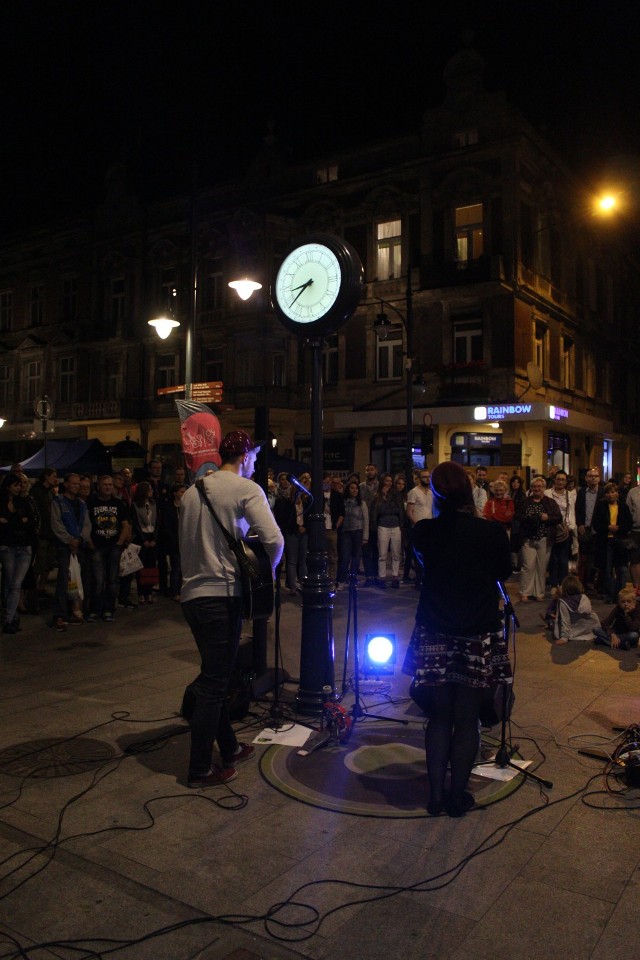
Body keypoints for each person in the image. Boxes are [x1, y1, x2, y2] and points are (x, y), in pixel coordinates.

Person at [406, 461, 512, 818]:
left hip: (435, 629)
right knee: (467, 718)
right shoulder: (492, 533)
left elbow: (424, 565)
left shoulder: (424, 532)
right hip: (476, 632)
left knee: (439, 715)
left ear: (434, 494)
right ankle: (456, 798)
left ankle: (435, 797)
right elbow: (502, 572)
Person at [179, 429, 283, 788]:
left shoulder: (192, 493)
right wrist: (264, 575)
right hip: (221, 595)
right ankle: (199, 769)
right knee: (213, 683)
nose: (253, 463)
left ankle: (230, 746)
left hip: (192, 595)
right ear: (245, 457)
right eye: (253, 457)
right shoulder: (245, 488)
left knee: (217, 674)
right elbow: (273, 539)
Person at [85, 475, 131, 622]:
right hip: (97, 545)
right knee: (98, 580)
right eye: (104, 484)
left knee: (112, 580)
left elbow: (125, 524)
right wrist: (91, 542)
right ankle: (94, 609)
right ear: (98, 486)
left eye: (110, 485)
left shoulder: (118, 503)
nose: (108, 487)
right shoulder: (91, 502)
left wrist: (119, 542)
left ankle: (109, 609)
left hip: (113, 546)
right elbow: (86, 524)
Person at [50, 473, 92, 630]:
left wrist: (80, 539)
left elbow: (87, 524)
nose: (76, 486)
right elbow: (56, 523)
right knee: (63, 580)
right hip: (64, 546)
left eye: (78, 484)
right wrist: (69, 540)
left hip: (78, 546)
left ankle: (76, 609)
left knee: (78, 578)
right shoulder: (58, 502)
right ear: (66, 484)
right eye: (73, 483)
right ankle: (59, 614)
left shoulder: (81, 504)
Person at [0, 473, 39, 634]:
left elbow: (31, 522)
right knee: (10, 583)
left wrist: (9, 521)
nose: (19, 488)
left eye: (20, 485)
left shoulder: (23, 501)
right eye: (16, 485)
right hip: (7, 546)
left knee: (16, 584)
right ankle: (13, 615)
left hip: (24, 547)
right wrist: (19, 521)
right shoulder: (1, 502)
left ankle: (9, 618)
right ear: (8, 486)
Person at [516, 475, 562, 602]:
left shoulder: (550, 502)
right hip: (528, 538)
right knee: (528, 566)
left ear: (544, 488)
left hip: (544, 538)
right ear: (531, 488)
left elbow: (558, 517)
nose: (536, 489)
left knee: (541, 567)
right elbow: (518, 516)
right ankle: (525, 592)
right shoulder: (525, 502)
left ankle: (539, 593)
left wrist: (548, 517)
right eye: (534, 486)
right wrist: (528, 517)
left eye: (539, 486)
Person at [591, 482, 632, 603]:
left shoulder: (624, 507)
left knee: (622, 570)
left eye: (613, 492)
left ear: (617, 494)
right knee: (607, 569)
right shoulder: (601, 507)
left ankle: (621, 595)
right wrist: (608, 527)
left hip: (620, 541)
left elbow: (628, 523)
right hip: (605, 541)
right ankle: (610, 595)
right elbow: (596, 524)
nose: (610, 495)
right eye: (608, 492)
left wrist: (618, 528)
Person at [371, 472, 404, 589]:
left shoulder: (396, 495)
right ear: (382, 482)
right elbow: (378, 511)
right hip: (383, 526)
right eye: (387, 481)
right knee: (382, 554)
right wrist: (383, 497)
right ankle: (382, 577)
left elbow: (398, 510)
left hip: (395, 526)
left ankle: (395, 576)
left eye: (390, 481)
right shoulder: (377, 496)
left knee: (396, 553)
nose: (389, 483)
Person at [129, 481, 161, 604]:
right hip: (141, 538)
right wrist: (144, 540)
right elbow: (136, 523)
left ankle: (149, 592)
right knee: (141, 566)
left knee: (151, 566)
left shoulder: (154, 504)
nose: (152, 491)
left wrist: (154, 539)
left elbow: (157, 522)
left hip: (152, 536)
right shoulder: (136, 505)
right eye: (150, 489)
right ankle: (141, 592)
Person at [548, 574, 601, 646]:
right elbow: (588, 610)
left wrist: (564, 638)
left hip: (574, 630)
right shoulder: (584, 597)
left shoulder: (563, 601)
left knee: (554, 624)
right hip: (589, 629)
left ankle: (550, 623)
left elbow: (565, 620)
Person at [546, 470, 576, 594]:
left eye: (563, 480)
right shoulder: (547, 493)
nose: (560, 482)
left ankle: (563, 584)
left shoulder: (571, 495)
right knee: (553, 558)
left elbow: (571, 511)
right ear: (554, 480)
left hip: (565, 529)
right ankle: (553, 583)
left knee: (564, 559)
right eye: (558, 479)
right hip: (551, 529)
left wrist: (570, 526)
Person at [336, 479, 368, 587]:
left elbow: (365, 520)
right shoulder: (343, 501)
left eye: (356, 488)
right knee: (345, 557)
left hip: (358, 532)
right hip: (346, 532)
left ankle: (353, 580)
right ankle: (342, 580)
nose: (354, 490)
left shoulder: (361, 503)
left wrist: (365, 537)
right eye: (352, 488)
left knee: (356, 557)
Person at [575, 468, 604, 590]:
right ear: (586, 478)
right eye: (590, 476)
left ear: (599, 478)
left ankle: (594, 582)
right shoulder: (581, 492)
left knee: (596, 558)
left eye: (595, 476)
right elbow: (578, 509)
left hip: (598, 529)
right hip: (584, 528)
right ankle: (582, 583)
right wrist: (580, 524)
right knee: (583, 558)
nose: (593, 478)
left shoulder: (603, 492)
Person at [406, 469, 433, 586]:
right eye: (424, 477)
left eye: (428, 477)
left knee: (428, 554)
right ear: (419, 479)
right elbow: (409, 511)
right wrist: (417, 524)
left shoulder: (431, 493)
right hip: (418, 527)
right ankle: (419, 579)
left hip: (429, 527)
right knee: (418, 555)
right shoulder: (414, 492)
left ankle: (426, 578)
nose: (427, 479)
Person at [359, 463, 379, 587]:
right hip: (365, 523)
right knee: (366, 552)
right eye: (367, 470)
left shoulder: (380, 486)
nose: (369, 472)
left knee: (377, 551)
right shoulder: (361, 486)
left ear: (376, 471)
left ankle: (376, 575)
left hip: (377, 523)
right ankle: (368, 576)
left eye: (371, 470)